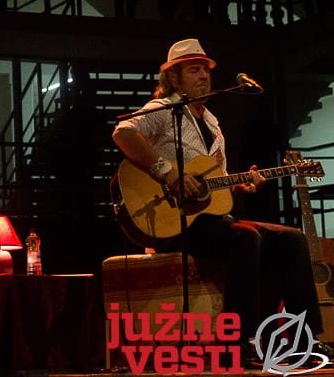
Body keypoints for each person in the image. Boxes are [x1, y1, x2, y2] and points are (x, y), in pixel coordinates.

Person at [112, 38, 331, 365]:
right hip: (173, 222)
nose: (204, 76)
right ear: (174, 79)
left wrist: (240, 186)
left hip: (208, 220)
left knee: (292, 239)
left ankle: (303, 341)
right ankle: (239, 342)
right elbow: (123, 133)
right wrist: (168, 173)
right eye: (194, 70)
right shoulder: (164, 110)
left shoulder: (213, 124)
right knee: (245, 238)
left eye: (206, 70)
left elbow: (215, 184)